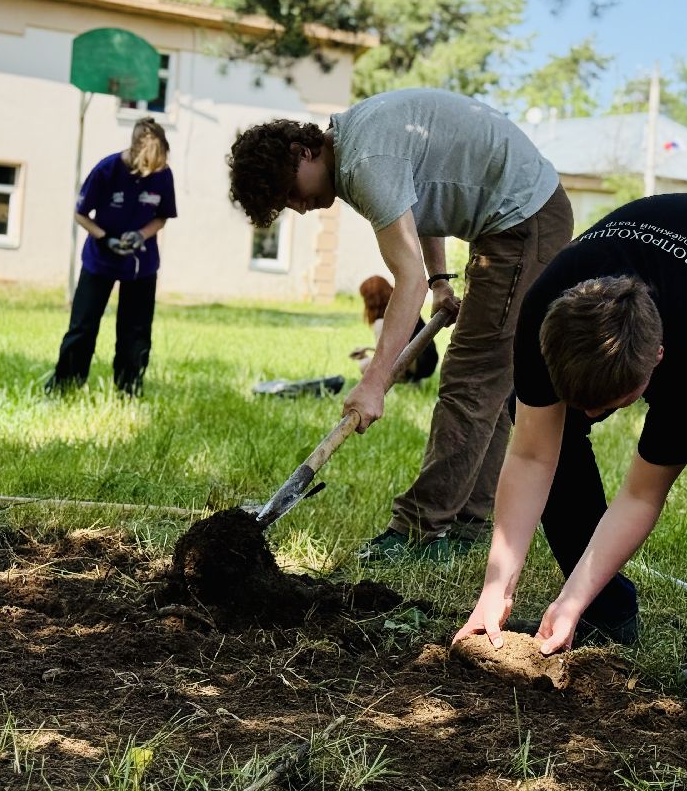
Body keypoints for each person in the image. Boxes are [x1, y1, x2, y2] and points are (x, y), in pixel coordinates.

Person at [452, 193, 687, 688]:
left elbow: (641, 493)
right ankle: (607, 613)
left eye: (610, 403)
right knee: (537, 422)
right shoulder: (543, 315)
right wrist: (496, 587)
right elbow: (531, 455)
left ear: (657, 358)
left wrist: (569, 598)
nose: (591, 416)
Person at [227, 87, 574, 560]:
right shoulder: (354, 143)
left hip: (523, 220)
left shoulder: (365, 161)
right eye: (285, 204)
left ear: (303, 151)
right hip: (512, 221)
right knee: (487, 381)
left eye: (291, 191)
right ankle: (467, 523)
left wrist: (375, 381)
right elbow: (422, 206)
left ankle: (420, 531)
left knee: (470, 381)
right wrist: (440, 283)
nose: (298, 205)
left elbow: (402, 277)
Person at [47, 118, 176, 396]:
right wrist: (105, 237)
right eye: (148, 165)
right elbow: (80, 214)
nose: (152, 171)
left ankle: (129, 388)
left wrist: (141, 234)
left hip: (141, 264)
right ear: (135, 152)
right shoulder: (107, 170)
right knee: (83, 326)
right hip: (100, 260)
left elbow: (162, 217)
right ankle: (66, 385)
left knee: (136, 331)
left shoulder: (164, 174)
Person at [351, 275, 439, 384]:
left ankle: (390, 385)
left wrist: (364, 357)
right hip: (429, 361)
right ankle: (412, 382)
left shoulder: (381, 322)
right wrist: (368, 349)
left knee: (365, 365)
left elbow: (385, 356)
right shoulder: (404, 306)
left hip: (414, 363)